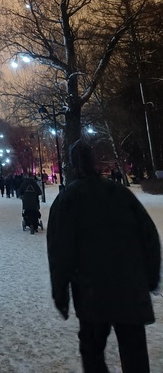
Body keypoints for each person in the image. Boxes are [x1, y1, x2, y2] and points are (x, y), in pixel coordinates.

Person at [47, 140, 161, 373]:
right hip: (129, 288)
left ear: (73, 164)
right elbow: (149, 236)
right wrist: (149, 278)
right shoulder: (120, 193)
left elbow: (60, 253)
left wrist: (61, 295)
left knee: (92, 352)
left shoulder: (68, 199)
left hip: (92, 292)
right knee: (134, 352)